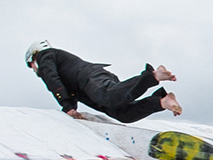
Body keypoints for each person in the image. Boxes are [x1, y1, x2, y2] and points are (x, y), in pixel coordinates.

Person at [25, 40, 182, 123]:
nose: (33, 70)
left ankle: (153, 76)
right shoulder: (56, 63)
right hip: (88, 87)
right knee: (123, 114)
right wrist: (71, 108)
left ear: (34, 56)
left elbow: (53, 81)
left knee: (107, 96)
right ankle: (162, 102)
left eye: (31, 65)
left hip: (90, 78)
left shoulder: (45, 56)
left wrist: (66, 105)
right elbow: (63, 87)